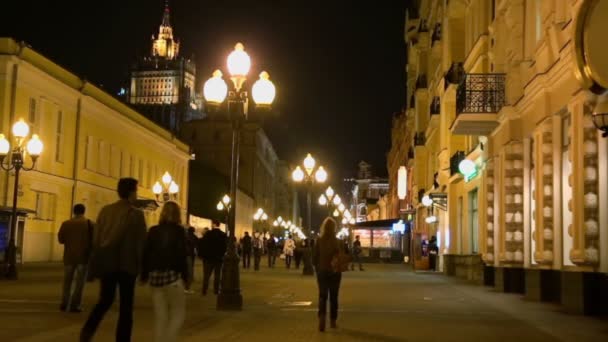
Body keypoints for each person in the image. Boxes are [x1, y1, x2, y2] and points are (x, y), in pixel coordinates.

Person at [80, 178, 147, 342]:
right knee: (126, 307)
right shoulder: (136, 214)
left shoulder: (105, 211)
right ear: (132, 192)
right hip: (127, 265)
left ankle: (87, 331)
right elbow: (140, 243)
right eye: (136, 191)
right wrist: (143, 268)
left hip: (107, 263)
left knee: (105, 300)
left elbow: (96, 239)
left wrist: (95, 260)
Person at [141, 202, 188, 342]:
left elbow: (146, 253)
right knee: (178, 313)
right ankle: (169, 339)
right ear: (178, 215)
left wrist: (144, 274)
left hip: (155, 277)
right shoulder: (179, 231)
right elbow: (181, 255)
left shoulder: (153, 230)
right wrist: (185, 277)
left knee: (160, 316)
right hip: (172, 276)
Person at [58, 203, 93, 313]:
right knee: (79, 282)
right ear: (84, 211)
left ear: (74, 211)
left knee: (67, 281)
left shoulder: (66, 223)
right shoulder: (90, 224)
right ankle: (75, 304)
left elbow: (61, 240)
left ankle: (64, 302)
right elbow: (94, 241)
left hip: (69, 256)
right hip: (83, 257)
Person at [313, 218, 345, 332]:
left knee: (322, 296)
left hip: (322, 271)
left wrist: (317, 268)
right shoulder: (338, 241)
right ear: (334, 228)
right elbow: (344, 256)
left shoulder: (319, 240)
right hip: (335, 272)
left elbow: (314, 257)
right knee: (334, 297)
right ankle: (333, 321)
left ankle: (322, 319)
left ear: (324, 227)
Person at [199, 219, 227, 295]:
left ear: (214, 224)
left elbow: (203, 245)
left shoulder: (208, 234)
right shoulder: (223, 234)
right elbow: (225, 247)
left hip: (208, 258)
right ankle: (216, 290)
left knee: (206, 275)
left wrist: (202, 255)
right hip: (219, 258)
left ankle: (204, 290)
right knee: (217, 275)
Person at [184, 227, 198, 293]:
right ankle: (187, 288)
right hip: (190, 255)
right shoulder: (194, 237)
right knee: (189, 271)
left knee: (186, 270)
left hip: (185, 255)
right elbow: (196, 245)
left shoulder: (184, 236)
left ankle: (185, 286)